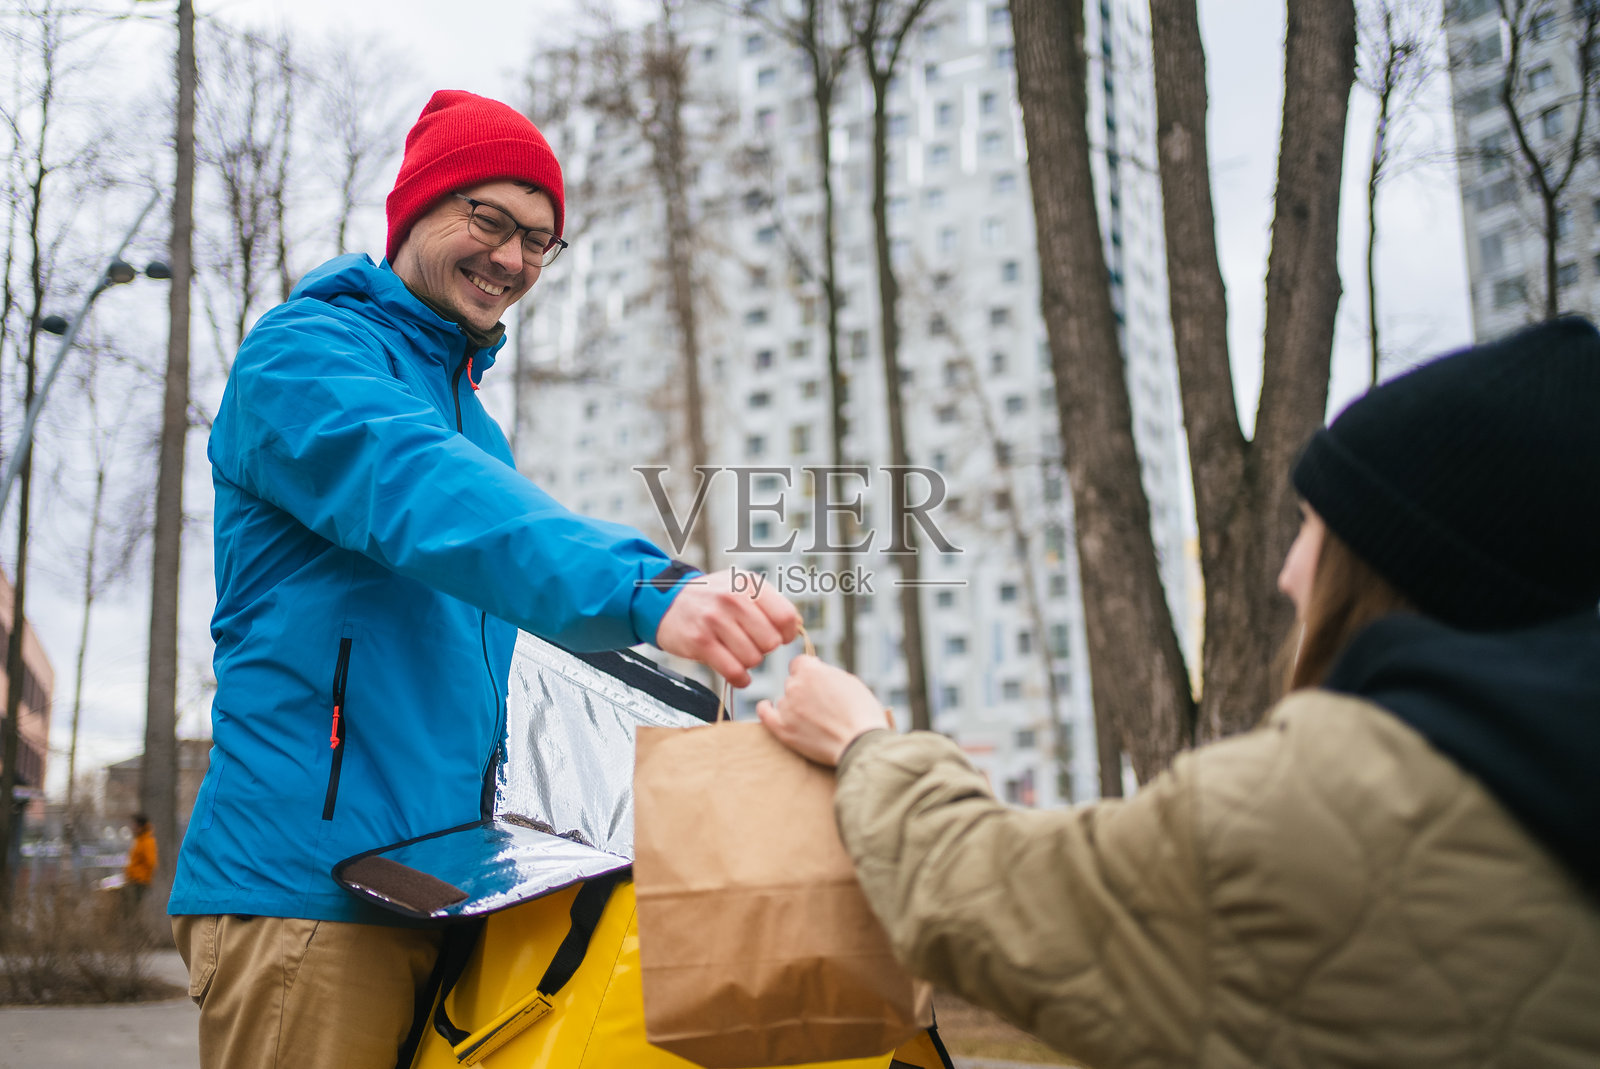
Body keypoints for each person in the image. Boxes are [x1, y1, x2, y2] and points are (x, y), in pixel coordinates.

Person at [759, 317, 1600, 1067]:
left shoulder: (1325, 801)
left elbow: (982, 890)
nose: (1287, 572)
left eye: (1313, 527)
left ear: (1396, 567)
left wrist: (862, 741)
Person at [169, 89, 797, 1069]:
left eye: (538, 240)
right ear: (416, 209)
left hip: (449, 890)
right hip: (310, 894)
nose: (512, 258)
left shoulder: (474, 422)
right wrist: (650, 588)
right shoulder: (301, 359)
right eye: (489, 220)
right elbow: (429, 495)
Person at [122, 812, 156, 918]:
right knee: (131, 911)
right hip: (134, 881)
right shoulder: (139, 840)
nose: (132, 827)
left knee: (134, 912)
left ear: (140, 826)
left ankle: (138, 928)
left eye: (134, 824)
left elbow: (151, 863)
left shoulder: (147, 841)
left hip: (139, 882)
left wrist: (141, 876)